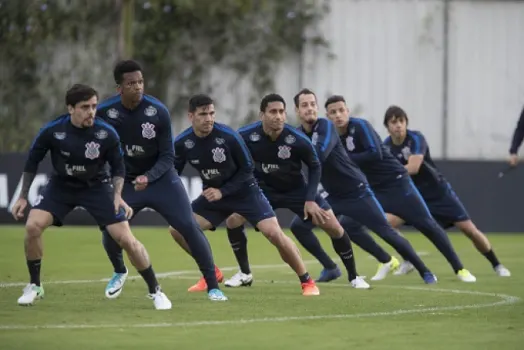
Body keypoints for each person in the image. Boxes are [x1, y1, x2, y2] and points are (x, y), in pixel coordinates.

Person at [11, 84, 171, 310]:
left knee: (127, 240)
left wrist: (117, 196)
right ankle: (34, 286)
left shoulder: (106, 133)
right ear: (70, 108)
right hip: (61, 186)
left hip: (97, 187)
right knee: (32, 227)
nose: (91, 112)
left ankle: (156, 290)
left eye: (94, 106)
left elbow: (118, 168)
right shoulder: (52, 131)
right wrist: (22, 196)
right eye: (85, 107)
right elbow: (32, 162)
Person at [294, 95, 476, 282]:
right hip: (371, 188)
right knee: (349, 226)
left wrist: (346, 159)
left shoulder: (360, 126)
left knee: (427, 225)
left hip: (397, 183)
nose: (338, 115)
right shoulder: (328, 134)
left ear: (348, 111)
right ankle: (386, 260)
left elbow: (376, 153)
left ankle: (459, 268)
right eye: (333, 112)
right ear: (328, 116)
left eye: (341, 110)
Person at [95, 60, 226, 302]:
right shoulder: (105, 112)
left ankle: (213, 286)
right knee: (111, 225)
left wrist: (150, 176)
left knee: (188, 226)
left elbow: (168, 156)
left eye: (141, 82)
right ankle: (119, 271)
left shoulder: (158, 111)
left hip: (162, 180)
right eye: (131, 83)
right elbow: (100, 150)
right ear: (119, 88)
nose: (138, 87)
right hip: (127, 182)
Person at [169, 94, 320, 296]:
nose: (209, 119)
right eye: (203, 114)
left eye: (212, 113)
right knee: (177, 229)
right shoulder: (183, 142)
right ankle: (211, 272)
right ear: (191, 116)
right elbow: (174, 173)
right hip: (214, 197)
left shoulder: (229, 136)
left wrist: (223, 191)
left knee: (274, 234)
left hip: (245, 192)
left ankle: (307, 281)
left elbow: (247, 169)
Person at [223, 93, 368, 289]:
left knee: (334, 227)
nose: (278, 116)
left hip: (297, 190)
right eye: (273, 112)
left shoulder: (296, 138)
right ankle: (245, 273)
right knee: (232, 220)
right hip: (263, 191)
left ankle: (354, 277)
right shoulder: (245, 135)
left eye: (282, 112)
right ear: (262, 115)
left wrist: (310, 199)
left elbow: (315, 166)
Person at [383, 105, 510, 277]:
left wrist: (388, 173)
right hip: (412, 196)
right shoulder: (385, 147)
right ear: (387, 126)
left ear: (406, 123)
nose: (398, 125)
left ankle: (497, 265)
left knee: (469, 230)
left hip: (438, 193)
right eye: (394, 122)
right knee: (386, 223)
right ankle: (408, 259)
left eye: (401, 121)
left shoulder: (416, 138)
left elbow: (413, 167)